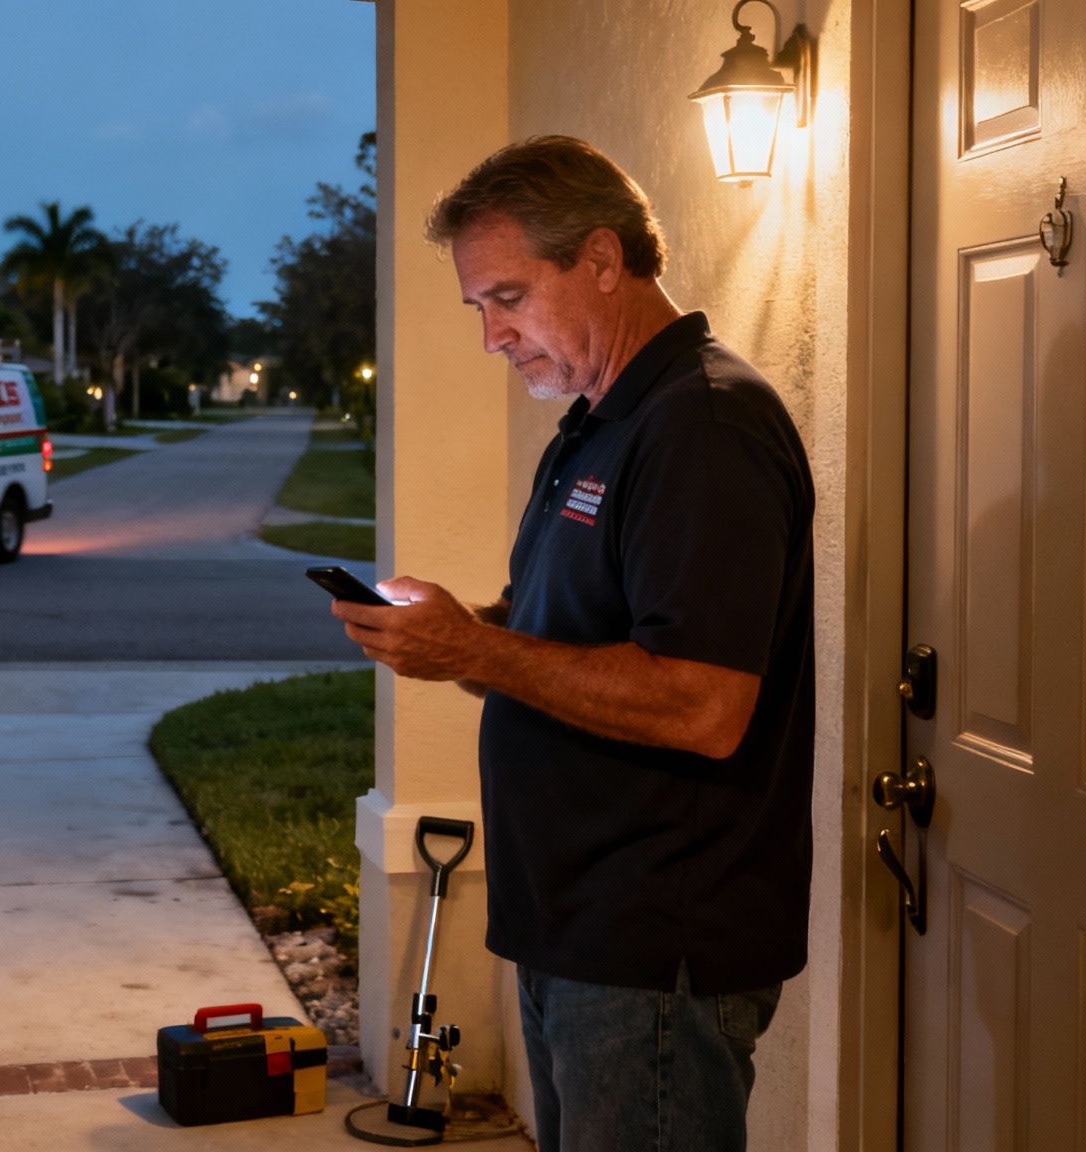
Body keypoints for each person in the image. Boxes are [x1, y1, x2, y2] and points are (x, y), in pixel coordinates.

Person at [330, 135, 814, 1152]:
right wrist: (455, 634)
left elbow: (700, 704)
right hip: (580, 931)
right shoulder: (601, 423)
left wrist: (473, 651)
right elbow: (574, 644)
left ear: (600, 259)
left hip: (652, 946)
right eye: (478, 308)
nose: (491, 336)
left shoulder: (705, 427)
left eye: (507, 298)